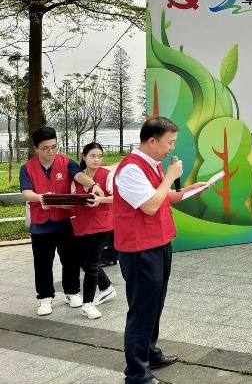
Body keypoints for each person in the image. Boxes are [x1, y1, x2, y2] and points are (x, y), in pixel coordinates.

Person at [114, 117, 209, 384]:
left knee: (155, 304)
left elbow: (162, 196)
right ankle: (137, 373)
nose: (172, 148)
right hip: (140, 249)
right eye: (170, 142)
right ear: (152, 141)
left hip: (159, 243)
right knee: (142, 310)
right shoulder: (131, 169)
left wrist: (188, 190)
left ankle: (149, 353)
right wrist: (170, 177)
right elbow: (150, 206)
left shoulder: (152, 164)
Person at [21, 126, 106, 317]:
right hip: (41, 224)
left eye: (54, 147)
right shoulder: (27, 168)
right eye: (46, 148)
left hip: (65, 221)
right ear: (36, 149)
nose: (51, 151)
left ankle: (72, 292)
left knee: (70, 260)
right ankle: (45, 297)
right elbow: (26, 192)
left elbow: (79, 175)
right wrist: (41, 198)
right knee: (42, 263)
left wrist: (93, 184)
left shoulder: (66, 163)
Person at [70, 142, 117, 319]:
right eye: (92, 156)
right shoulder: (78, 177)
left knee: (91, 262)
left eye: (100, 156)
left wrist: (100, 200)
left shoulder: (107, 175)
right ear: (84, 157)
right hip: (81, 223)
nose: (97, 160)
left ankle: (87, 303)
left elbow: (118, 198)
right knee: (84, 260)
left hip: (102, 224)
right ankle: (106, 287)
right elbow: (73, 199)